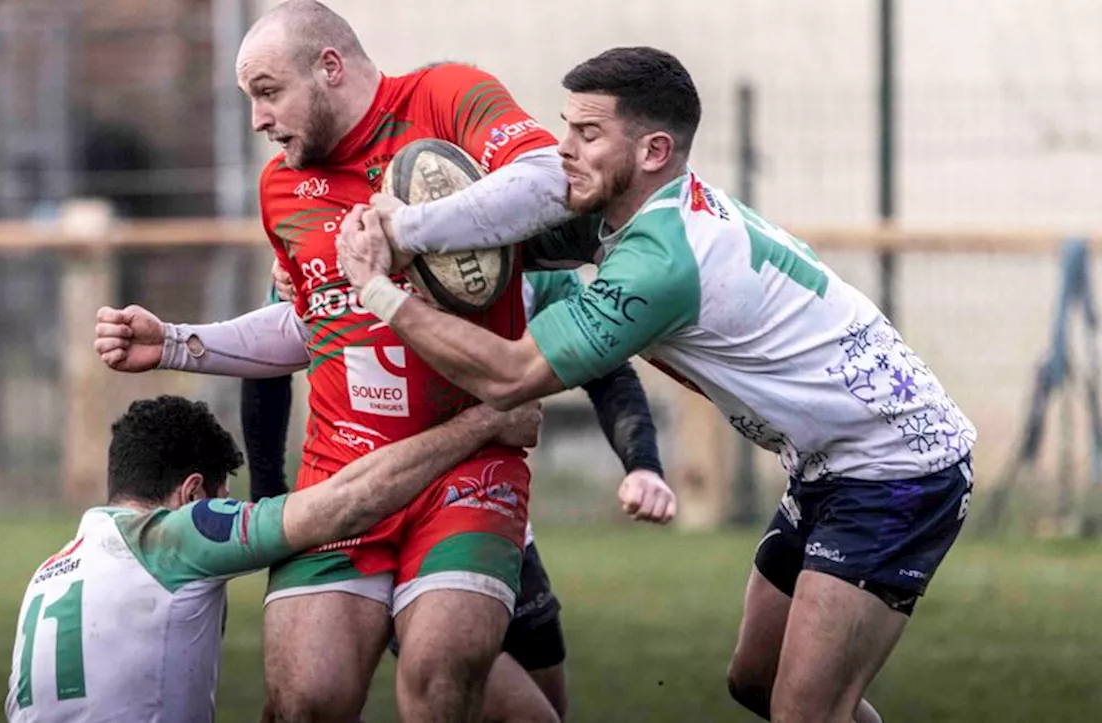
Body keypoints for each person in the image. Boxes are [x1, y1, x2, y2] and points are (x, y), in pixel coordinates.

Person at [335, 46, 978, 723]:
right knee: (756, 680)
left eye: (587, 135)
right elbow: (510, 227)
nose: (562, 151)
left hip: (898, 468)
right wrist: (380, 236)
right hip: (832, 461)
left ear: (653, 151)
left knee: (805, 709)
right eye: (566, 128)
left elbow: (510, 374)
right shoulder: (639, 212)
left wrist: (377, 289)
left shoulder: (662, 260)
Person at [142, 2, 672, 720]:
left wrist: (410, 231)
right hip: (342, 473)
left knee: (440, 679)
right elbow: (311, 325)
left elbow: (548, 178)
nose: (259, 120)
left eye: (269, 92)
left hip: (470, 470)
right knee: (305, 701)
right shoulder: (280, 189)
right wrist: (175, 343)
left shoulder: (448, 96)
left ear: (328, 66)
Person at [245, 266, 671, 721]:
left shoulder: (526, 259)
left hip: (487, 508)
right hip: (368, 512)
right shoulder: (339, 247)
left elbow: (604, 366)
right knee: (335, 697)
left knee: (547, 710)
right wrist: (271, 501)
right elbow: (265, 359)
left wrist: (642, 463)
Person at [4, 394, 540, 723]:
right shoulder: (173, 535)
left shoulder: (52, 569)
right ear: (194, 493)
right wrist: (482, 424)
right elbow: (344, 504)